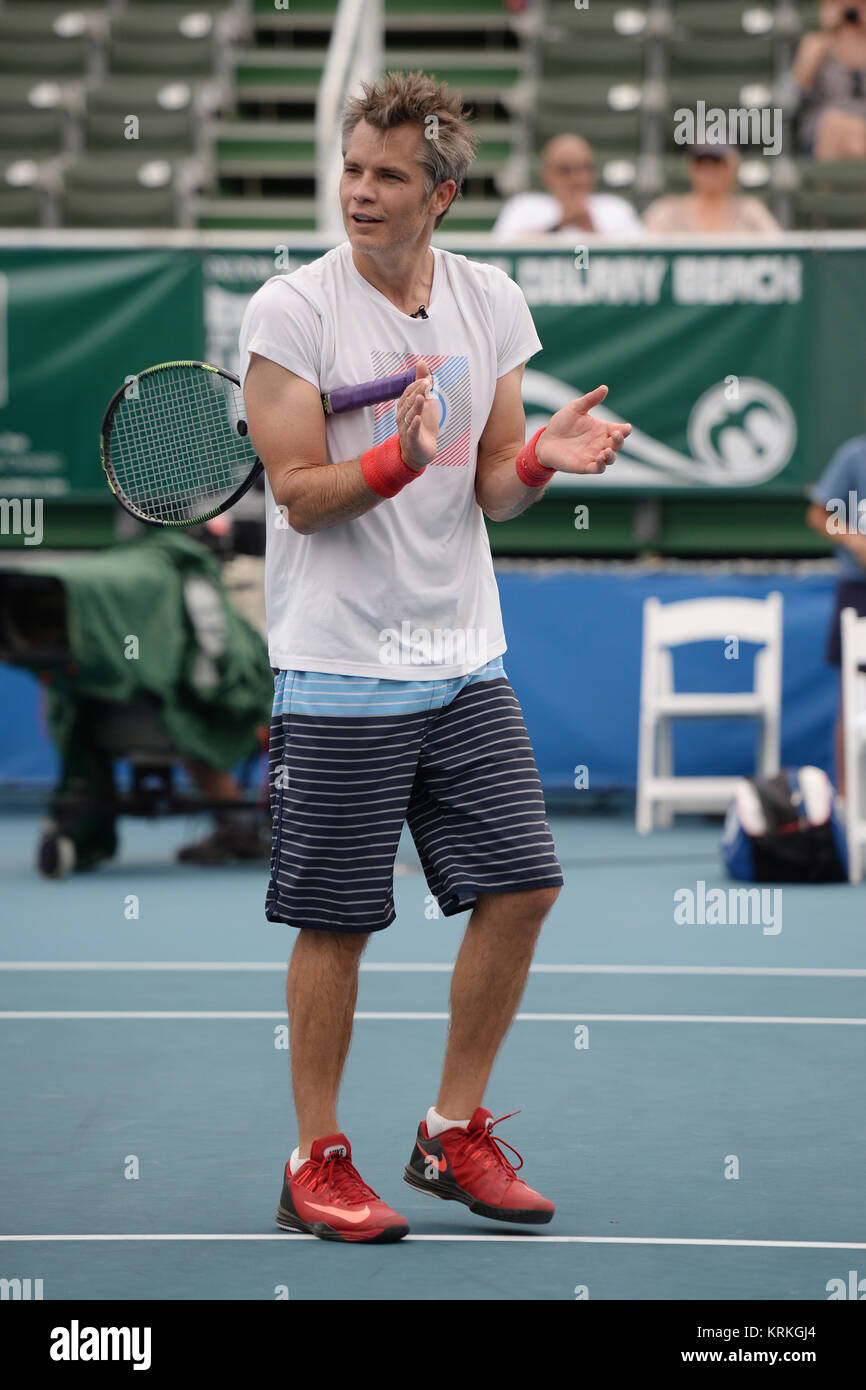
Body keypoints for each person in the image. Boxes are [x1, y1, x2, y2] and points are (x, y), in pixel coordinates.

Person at [239, 71, 632, 1244]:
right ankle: (314, 1157)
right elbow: (303, 499)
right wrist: (401, 463)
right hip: (339, 667)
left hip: (463, 657)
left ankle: (447, 1134)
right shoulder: (287, 312)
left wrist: (543, 457)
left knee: (522, 888)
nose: (359, 191)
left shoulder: (490, 301)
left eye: (388, 176)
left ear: (442, 195)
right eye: (352, 169)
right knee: (340, 921)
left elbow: (498, 491)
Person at [806, 432, 866, 797]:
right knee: (854, 698)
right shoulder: (854, 456)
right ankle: (848, 798)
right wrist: (855, 539)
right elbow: (818, 515)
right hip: (858, 593)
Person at [492, 133, 644, 240]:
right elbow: (502, 255)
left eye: (585, 168)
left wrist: (592, 230)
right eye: (565, 170)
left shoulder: (617, 209)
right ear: (546, 175)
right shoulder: (523, 207)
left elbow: (642, 260)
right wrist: (557, 227)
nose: (577, 178)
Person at [642, 144, 781, 235]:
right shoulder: (666, 211)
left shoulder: (751, 212)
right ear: (691, 168)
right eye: (702, 164)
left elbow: (780, 252)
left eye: (717, 163)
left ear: (731, 167)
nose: (709, 171)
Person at [793, 0, 866, 159]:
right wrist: (828, 33)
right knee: (837, 125)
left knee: (857, 136)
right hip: (824, 130)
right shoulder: (816, 42)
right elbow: (796, 90)